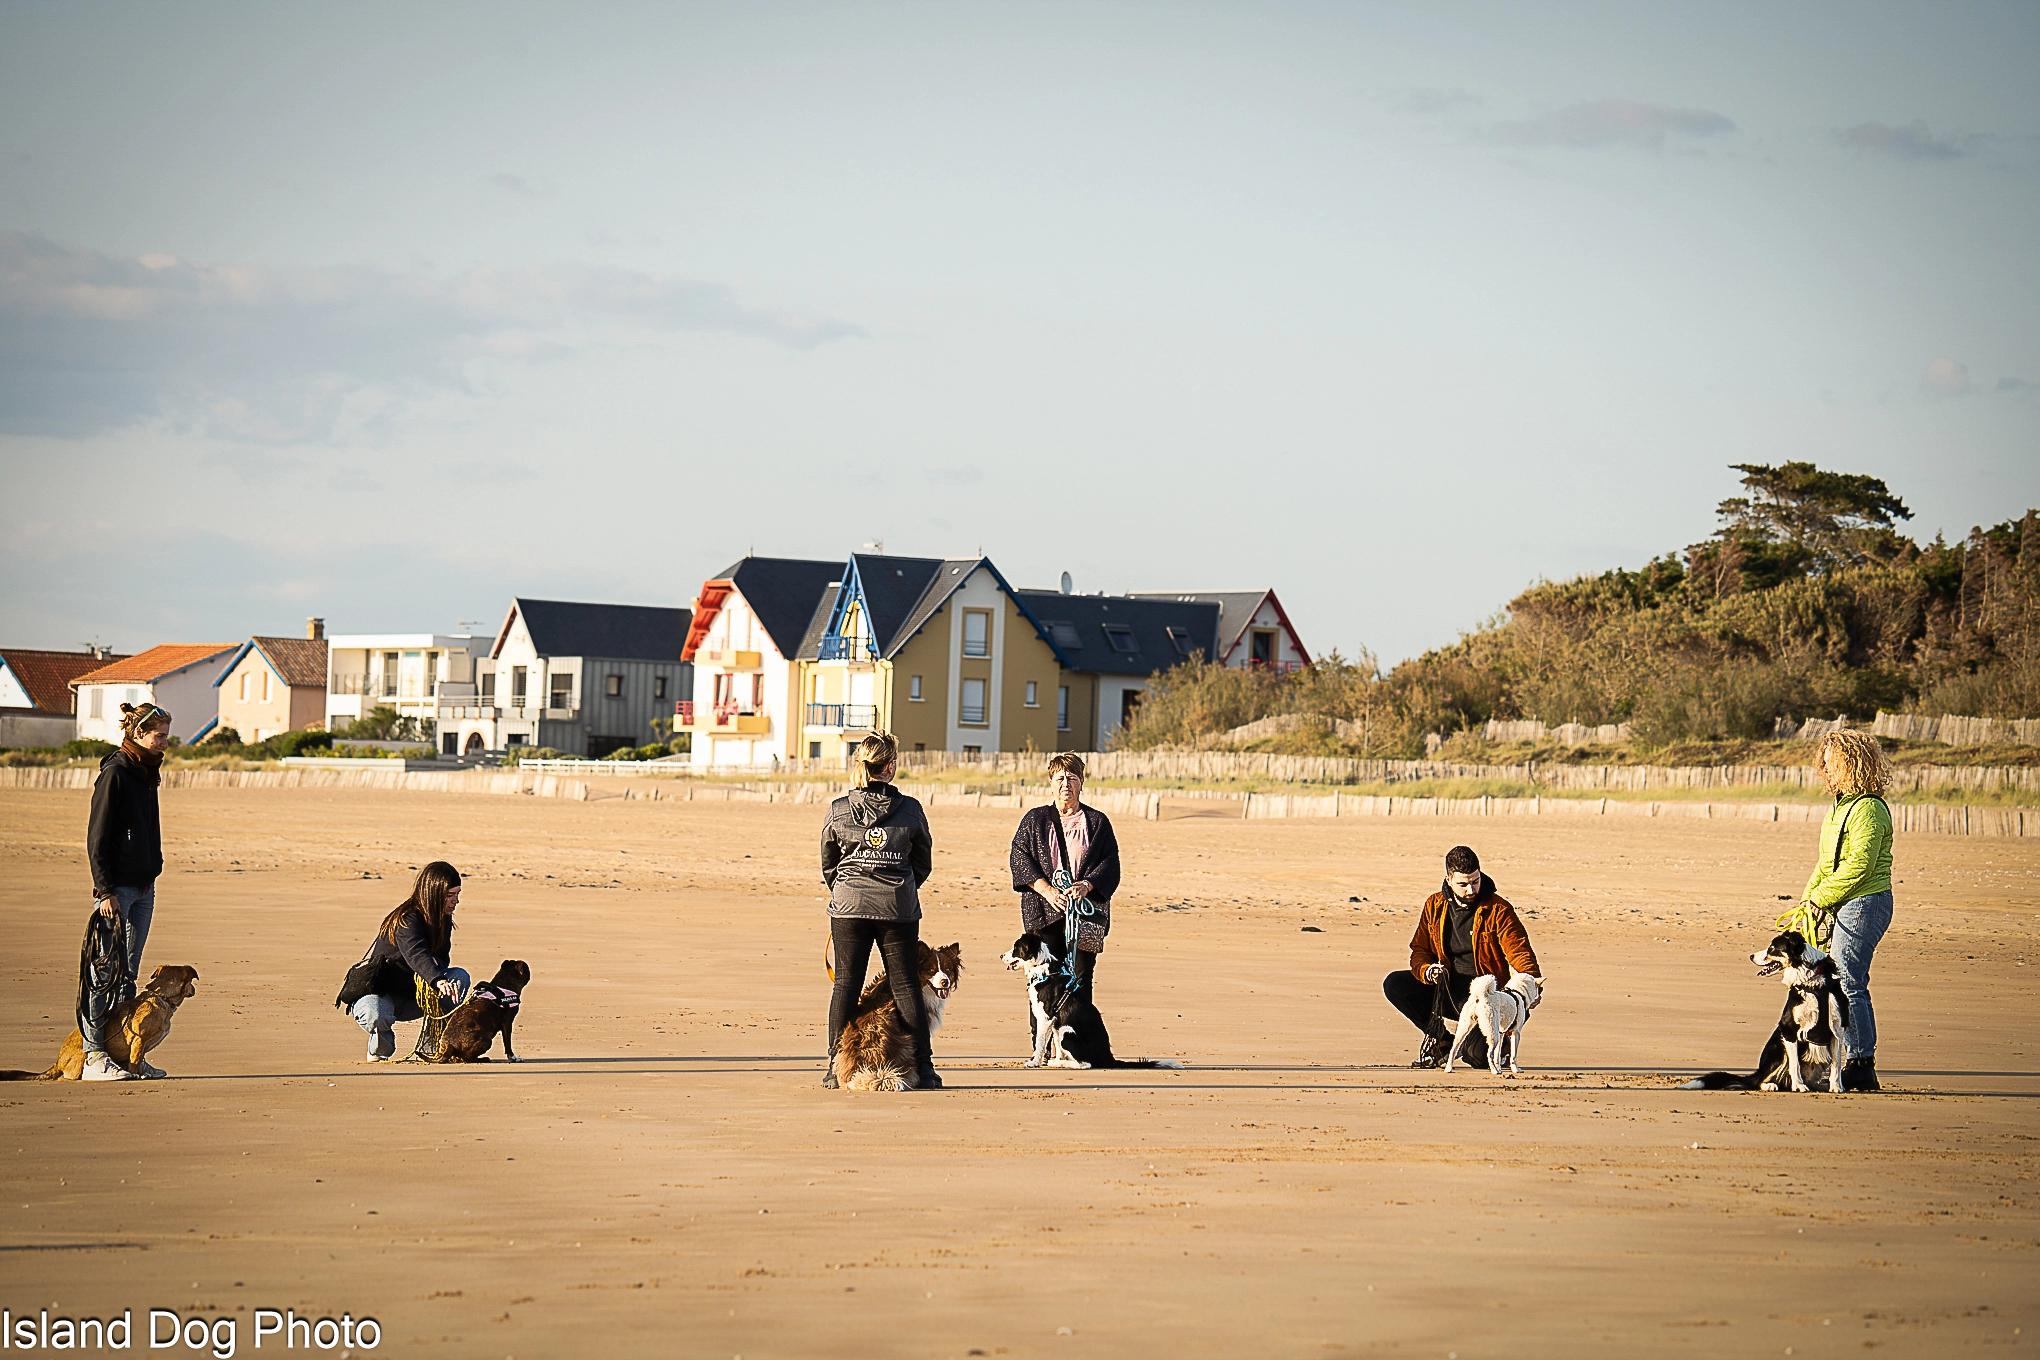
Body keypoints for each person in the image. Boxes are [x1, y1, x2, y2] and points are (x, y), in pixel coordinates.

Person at [821, 731, 938, 1089]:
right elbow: (923, 861)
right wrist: (900, 885)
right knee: (905, 987)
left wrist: (847, 889)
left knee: (846, 985)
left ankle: (833, 1067)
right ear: (889, 767)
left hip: (850, 906)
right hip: (896, 909)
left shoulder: (840, 808)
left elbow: (829, 863)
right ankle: (925, 1068)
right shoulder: (910, 809)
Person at [1383, 845, 1541, 1069]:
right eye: (1463, 884)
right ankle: (1442, 1042)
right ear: (1448, 879)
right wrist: (1427, 970)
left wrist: (1532, 988)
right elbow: (1420, 950)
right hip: (1447, 991)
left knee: (1476, 1057)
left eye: (1475, 881)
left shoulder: (1498, 909)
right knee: (1395, 984)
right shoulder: (1434, 905)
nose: (1471, 889)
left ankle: (1501, 1044)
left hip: (1487, 998)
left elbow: (1520, 952)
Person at [80, 701, 172, 1081]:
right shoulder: (116, 773)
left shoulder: (147, 772)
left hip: (144, 887)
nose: (165, 742)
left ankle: (125, 1055)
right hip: (117, 890)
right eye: (159, 735)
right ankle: (93, 1055)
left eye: (166, 735)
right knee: (104, 974)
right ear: (137, 734)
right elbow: (96, 837)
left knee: (129, 975)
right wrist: (103, 891)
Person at [1799, 729, 1894, 1093]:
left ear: (1852, 763)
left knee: (1848, 979)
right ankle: (1838, 1061)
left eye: (1831, 762)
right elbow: (1827, 863)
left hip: (1867, 901)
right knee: (1834, 978)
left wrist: (1822, 898)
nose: (1825, 768)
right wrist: (1808, 901)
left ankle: (1861, 1064)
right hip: (1840, 899)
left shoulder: (1870, 808)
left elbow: (1860, 866)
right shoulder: (1839, 807)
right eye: (1824, 762)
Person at [1008, 752, 1122, 1049]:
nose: (1066, 784)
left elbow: (1111, 863)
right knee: (1042, 982)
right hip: (1043, 915)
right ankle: (1041, 1047)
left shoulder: (1097, 822)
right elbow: (1019, 857)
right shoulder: (1035, 820)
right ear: (1050, 782)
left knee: (1080, 982)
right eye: (1060, 778)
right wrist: (1046, 889)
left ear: (1082, 783)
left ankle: (1080, 1044)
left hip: (1085, 917)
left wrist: (1087, 884)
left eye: (1072, 778)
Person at [336, 862, 471, 1062]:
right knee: (376, 1015)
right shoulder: (406, 919)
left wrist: (440, 977)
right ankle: (379, 1049)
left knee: (459, 977)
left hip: (411, 995)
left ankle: (432, 1046)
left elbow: (441, 959)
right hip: (380, 994)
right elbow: (416, 954)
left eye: (457, 894)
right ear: (433, 893)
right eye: (450, 895)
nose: (456, 901)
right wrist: (437, 980)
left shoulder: (442, 919)